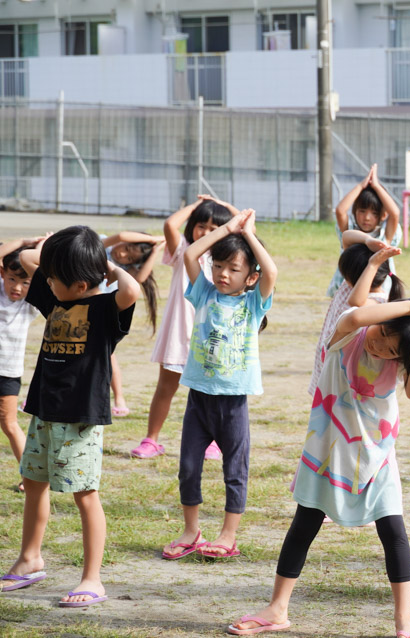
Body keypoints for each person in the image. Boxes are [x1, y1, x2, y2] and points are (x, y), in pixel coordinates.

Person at [226, 300, 410, 637]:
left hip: (376, 457)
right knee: (304, 524)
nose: (380, 345)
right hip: (328, 451)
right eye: (383, 334)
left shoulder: (400, 358)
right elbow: (361, 316)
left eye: (392, 350)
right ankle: (277, 609)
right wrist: (409, 307)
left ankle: (404, 621)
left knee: (393, 531)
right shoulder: (349, 333)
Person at [1, 226, 138, 604]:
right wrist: (48, 250)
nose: (46, 281)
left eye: (55, 277)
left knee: (85, 495)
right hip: (44, 410)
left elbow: (132, 291)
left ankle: (92, 578)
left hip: (80, 420)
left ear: (79, 284)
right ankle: (30, 558)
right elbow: (30, 261)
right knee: (33, 483)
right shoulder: (56, 296)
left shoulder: (106, 310)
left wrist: (107, 267)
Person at [161, 210, 277, 561]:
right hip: (199, 398)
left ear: (250, 277)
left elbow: (271, 271)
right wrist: (228, 229)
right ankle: (190, 530)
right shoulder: (203, 293)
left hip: (233, 401)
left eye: (234, 269)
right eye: (219, 267)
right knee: (188, 467)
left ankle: (228, 535)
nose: (223, 275)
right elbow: (191, 253)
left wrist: (250, 235)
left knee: (234, 470)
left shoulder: (254, 303)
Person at [131, 195, 235, 460]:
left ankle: (212, 441)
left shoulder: (226, 257)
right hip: (179, 332)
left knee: (208, 392)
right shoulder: (183, 251)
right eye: (202, 225)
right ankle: (151, 439)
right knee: (166, 387)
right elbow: (170, 225)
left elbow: (248, 227)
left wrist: (221, 203)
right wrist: (197, 205)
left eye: (214, 228)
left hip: (210, 334)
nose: (206, 233)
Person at [309, 232, 404, 398]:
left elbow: (356, 303)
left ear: (352, 278)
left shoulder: (377, 302)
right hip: (327, 359)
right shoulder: (349, 286)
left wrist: (372, 265)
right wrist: (369, 241)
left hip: (342, 373)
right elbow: (346, 236)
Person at [99, 231, 165, 418]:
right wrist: (151, 239)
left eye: (130, 258)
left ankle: (119, 398)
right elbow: (120, 235)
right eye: (126, 249)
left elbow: (141, 278)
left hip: (103, 315)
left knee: (108, 355)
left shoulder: (125, 270)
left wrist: (154, 251)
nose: (123, 255)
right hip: (83, 307)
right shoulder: (102, 248)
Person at [0, 239, 42, 493]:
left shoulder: (30, 305)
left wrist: (42, 246)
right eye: (13, 279)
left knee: (9, 423)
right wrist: (25, 242)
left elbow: (45, 273)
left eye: (25, 282)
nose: (17, 287)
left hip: (8, 372)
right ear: (3, 274)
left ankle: (30, 475)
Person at [328, 163, 401, 297]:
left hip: (378, 291)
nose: (367, 217)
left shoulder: (384, 236)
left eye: (374, 213)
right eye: (362, 211)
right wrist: (361, 185)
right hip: (350, 290)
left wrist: (377, 186)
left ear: (383, 215)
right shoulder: (349, 232)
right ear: (354, 211)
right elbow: (340, 210)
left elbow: (395, 213)